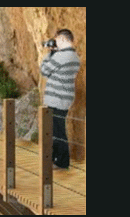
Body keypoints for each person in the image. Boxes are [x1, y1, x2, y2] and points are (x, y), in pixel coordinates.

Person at [40, 29, 81, 169]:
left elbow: (44, 71)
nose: (55, 43)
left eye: (57, 40)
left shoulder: (61, 57)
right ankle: (56, 159)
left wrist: (49, 53)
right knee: (57, 129)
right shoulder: (74, 56)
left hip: (57, 98)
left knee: (57, 131)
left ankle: (61, 162)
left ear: (63, 39)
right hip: (65, 97)